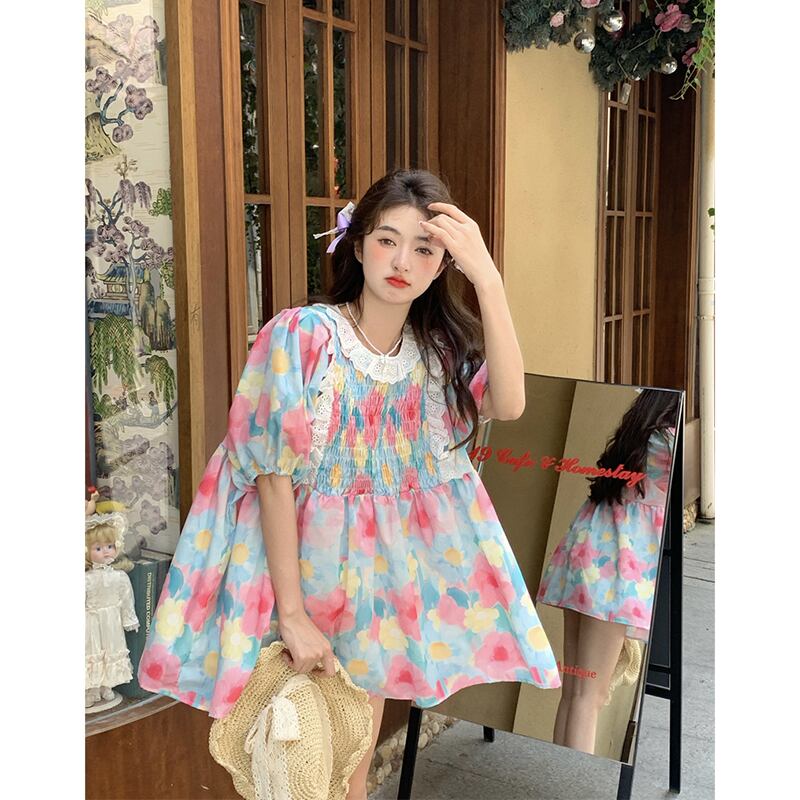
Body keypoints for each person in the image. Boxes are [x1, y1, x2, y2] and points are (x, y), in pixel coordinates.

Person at [139, 168, 561, 799]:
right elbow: (271, 476)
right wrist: (292, 615)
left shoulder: (436, 354)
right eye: (387, 240)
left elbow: (511, 400)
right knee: (293, 764)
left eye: (425, 249)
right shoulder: (303, 336)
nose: (403, 261)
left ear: (443, 265)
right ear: (358, 245)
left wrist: (489, 281)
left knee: (347, 767)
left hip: (379, 591)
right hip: (293, 574)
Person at [535, 389, 679, 754]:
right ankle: (571, 782)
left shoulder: (638, 431)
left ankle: (560, 777)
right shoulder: (671, 440)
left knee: (575, 692)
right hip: (615, 571)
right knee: (590, 697)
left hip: (586, 557)